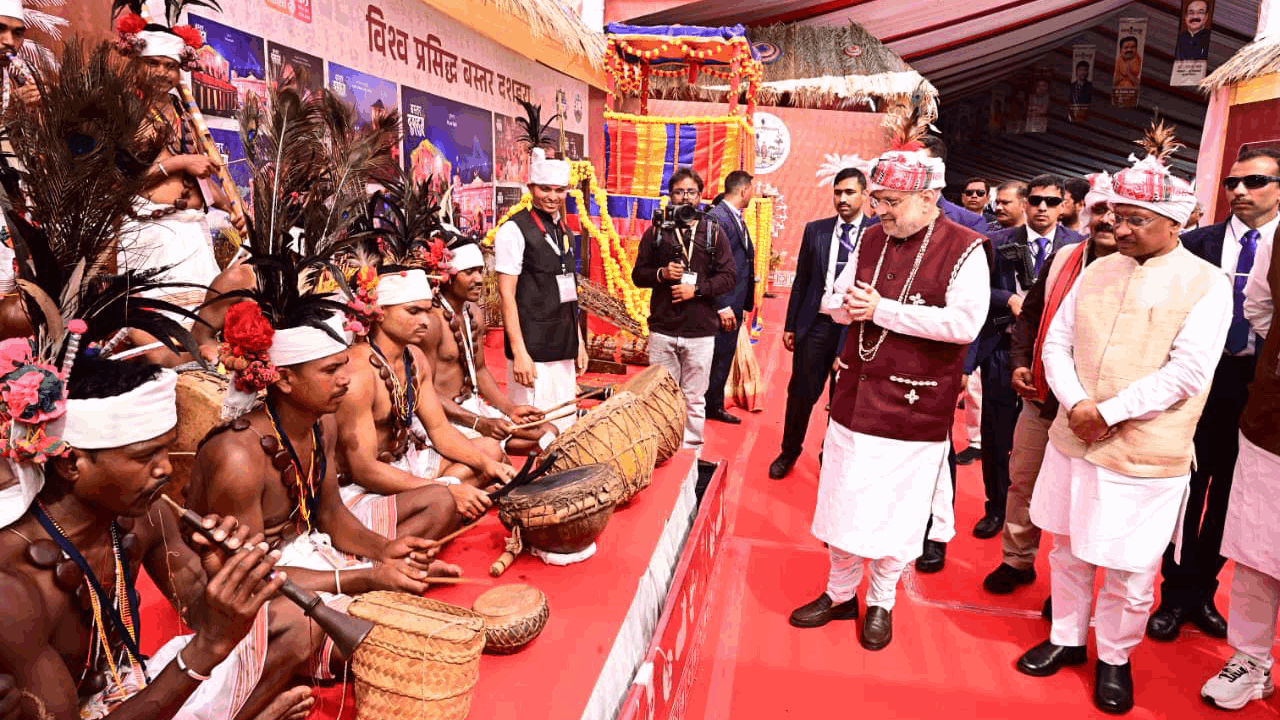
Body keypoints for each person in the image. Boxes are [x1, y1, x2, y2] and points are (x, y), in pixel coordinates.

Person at [1016, 124, 1231, 715]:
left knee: (1132, 567)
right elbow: (1053, 343)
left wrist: (1106, 413)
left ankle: (1114, 655)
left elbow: (1188, 373)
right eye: (1118, 215)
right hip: (1074, 437)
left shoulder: (1207, 284)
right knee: (1068, 548)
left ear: (1175, 223)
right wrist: (1078, 406)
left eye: (1137, 219)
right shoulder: (1096, 270)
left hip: (1145, 451)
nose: (1121, 228)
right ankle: (1066, 639)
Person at [0, 357, 323, 720]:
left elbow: (200, 616)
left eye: (166, 449)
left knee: (296, 625)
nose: (166, 468)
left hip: (127, 684)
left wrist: (221, 574)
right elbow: (208, 639)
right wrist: (208, 647)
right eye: (144, 456)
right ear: (71, 464)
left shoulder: (148, 515)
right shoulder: (14, 585)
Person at [788, 117, 989, 651]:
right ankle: (838, 594)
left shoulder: (967, 247)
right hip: (856, 395)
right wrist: (844, 305)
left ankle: (881, 602)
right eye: (879, 201)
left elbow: (965, 325)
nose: (882, 212)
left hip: (915, 405)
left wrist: (884, 312)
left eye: (893, 202)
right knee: (842, 501)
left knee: (897, 512)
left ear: (929, 197)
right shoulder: (873, 239)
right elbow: (836, 297)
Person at [191, 299, 462, 591]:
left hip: (307, 552)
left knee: (440, 502)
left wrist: (386, 552)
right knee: (313, 628)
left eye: (344, 365)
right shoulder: (239, 456)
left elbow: (331, 513)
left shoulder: (322, 423)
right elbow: (249, 575)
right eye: (330, 370)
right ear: (283, 379)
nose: (346, 380)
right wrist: (365, 578)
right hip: (258, 582)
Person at [1148, 147, 1280, 642]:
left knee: (1230, 497)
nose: (1241, 191)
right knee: (1185, 491)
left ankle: (1202, 591)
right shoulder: (1194, 245)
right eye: (1232, 183)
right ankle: (1172, 592)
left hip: (1256, 390)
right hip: (1192, 385)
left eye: (1256, 181)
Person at [983, 174, 1117, 601]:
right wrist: (1022, 362)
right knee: (1022, 480)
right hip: (1042, 398)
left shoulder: (1142, 271)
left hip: (1102, 409)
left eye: (1120, 213)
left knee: (1084, 498)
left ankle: (1069, 587)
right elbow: (1031, 316)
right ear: (1084, 211)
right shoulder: (1063, 259)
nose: (1109, 220)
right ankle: (1016, 560)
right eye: (1100, 210)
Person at [335, 265, 516, 523]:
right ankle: (446, 502)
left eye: (427, 311)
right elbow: (364, 470)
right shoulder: (359, 374)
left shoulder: (414, 358)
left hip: (406, 464)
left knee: (490, 450)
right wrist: (447, 490)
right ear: (380, 313)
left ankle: (448, 501)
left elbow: (440, 430)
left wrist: (489, 466)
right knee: (441, 504)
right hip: (369, 482)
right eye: (413, 311)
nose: (425, 321)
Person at [1200, 184, 1280, 712]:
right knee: (1258, 549)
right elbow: (1259, 307)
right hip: (1273, 422)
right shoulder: (1279, 239)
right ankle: (1251, 658)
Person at [973, 175, 1083, 540]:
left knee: (1048, 440)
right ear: (1025, 203)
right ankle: (996, 508)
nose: (1042, 208)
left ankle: (1038, 514)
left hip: (1058, 359)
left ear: (1064, 205)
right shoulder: (997, 242)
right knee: (996, 434)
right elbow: (974, 287)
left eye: (1052, 202)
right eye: (1036, 201)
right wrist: (1008, 299)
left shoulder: (1078, 247)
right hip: (1003, 350)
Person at [770, 167, 871, 479]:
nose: (842, 198)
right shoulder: (816, 230)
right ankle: (789, 451)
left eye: (850, 192)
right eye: (838, 192)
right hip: (816, 326)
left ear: (864, 194)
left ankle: (833, 455)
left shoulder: (876, 235)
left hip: (854, 328)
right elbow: (801, 280)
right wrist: (790, 325)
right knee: (801, 393)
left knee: (843, 398)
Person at [632, 167, 736, 451]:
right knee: (658, 395)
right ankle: (658, 449)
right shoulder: (656, 231)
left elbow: (729, 277)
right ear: (670, 196)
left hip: (700, 332)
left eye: (691, 192)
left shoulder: (713, 231)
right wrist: (662, 274)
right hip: (663, 329)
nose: (685, 197)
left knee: (693, 397)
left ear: (700, 197)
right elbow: (638, 275)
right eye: (679, 192)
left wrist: (697, 289)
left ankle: (690, 453)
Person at [422, 241, 555, 456]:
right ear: (446, 277)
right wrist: (479, 423)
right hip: (445, 418)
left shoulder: (473, 313)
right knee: (495, 453)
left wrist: (511, 410)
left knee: (549, 432)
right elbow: (424, 391)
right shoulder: (430, 322)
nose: (479, 279)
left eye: (480, 271)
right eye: (469, 273)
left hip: (473, 410)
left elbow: (480, 370)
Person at [494, 146, 586, 431]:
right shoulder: (513, 230)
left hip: (563, 344)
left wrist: (579, 342)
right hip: (532, 348)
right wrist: (519, 352)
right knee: (536, 430)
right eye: (545, 189)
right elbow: (506, 295)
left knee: (566, 425)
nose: (552, 197)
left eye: (559, 191)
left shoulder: (564, 230)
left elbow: (570, 291)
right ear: (531, 188)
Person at [704, 170, 756, 425]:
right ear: (745, 190)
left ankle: (712, 404)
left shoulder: (734, 217)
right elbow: (709, 265)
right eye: (752, 191)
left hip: (734, 302)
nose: (752, 195)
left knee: (723, 356)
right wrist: (722, 304)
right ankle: (705, 406)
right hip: (721, 305)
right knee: (714, 356)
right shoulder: (717, 218)